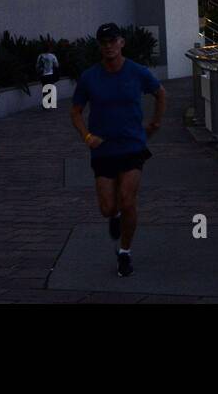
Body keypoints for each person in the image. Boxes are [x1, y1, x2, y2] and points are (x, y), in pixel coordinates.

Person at [70, 22, 166, 277]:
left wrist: (155, 123)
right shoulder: (90, 77)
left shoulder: (137, 72)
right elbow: (76, 111)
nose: (109, 46)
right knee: (108, 208)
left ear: (121, 43)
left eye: (113, 41)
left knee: (127, 200)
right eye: (104, 42)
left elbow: (160, 93)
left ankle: (125, 252)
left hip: (132, 145)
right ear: (99, 46)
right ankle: (114, 217)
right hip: (103, 149)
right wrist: (86, 136)